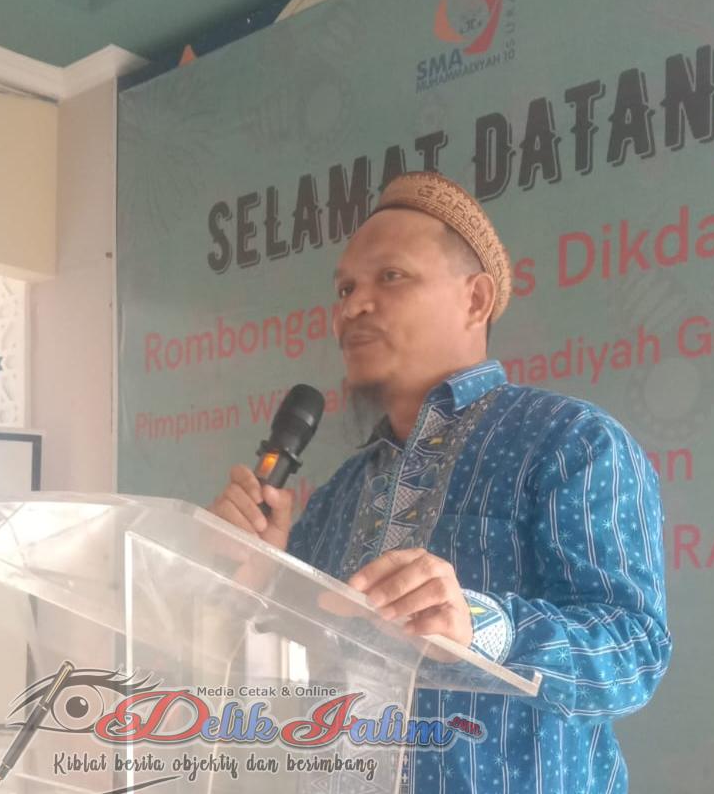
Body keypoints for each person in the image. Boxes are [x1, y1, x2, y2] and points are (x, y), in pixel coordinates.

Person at [211, 171, 672, 793]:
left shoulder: (570, 442)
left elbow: (635, 652)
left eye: (390, 277)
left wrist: (478, 626)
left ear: (475, 300)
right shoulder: (345, 490)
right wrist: (262, 578)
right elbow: (303, 675)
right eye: (345, 288)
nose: (353, 307)